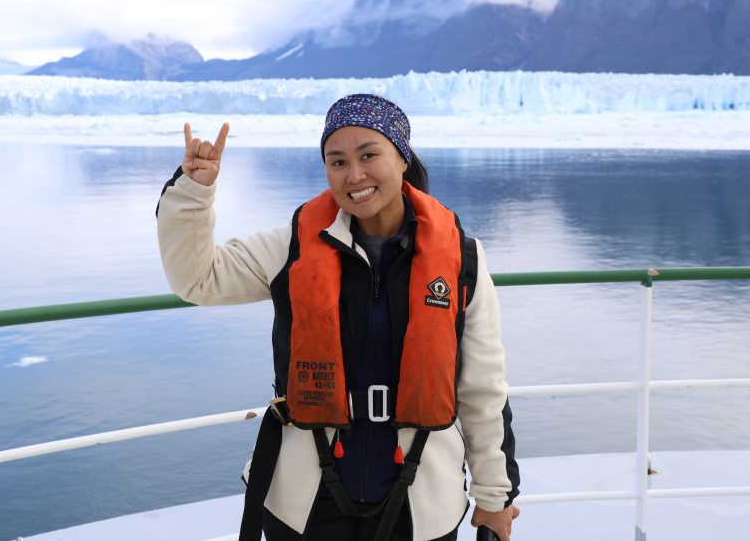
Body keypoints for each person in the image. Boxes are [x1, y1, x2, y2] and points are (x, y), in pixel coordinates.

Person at [156, 94, 520, 541]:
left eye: (370, 155)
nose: (355, 175)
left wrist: (494, 498)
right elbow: (198, 279)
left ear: (402, 158)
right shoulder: (292, 246)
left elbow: (482, 388)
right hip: (307, 502)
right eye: (337, 161)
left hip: (420, 500)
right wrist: (194, 191)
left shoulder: (463, 258)